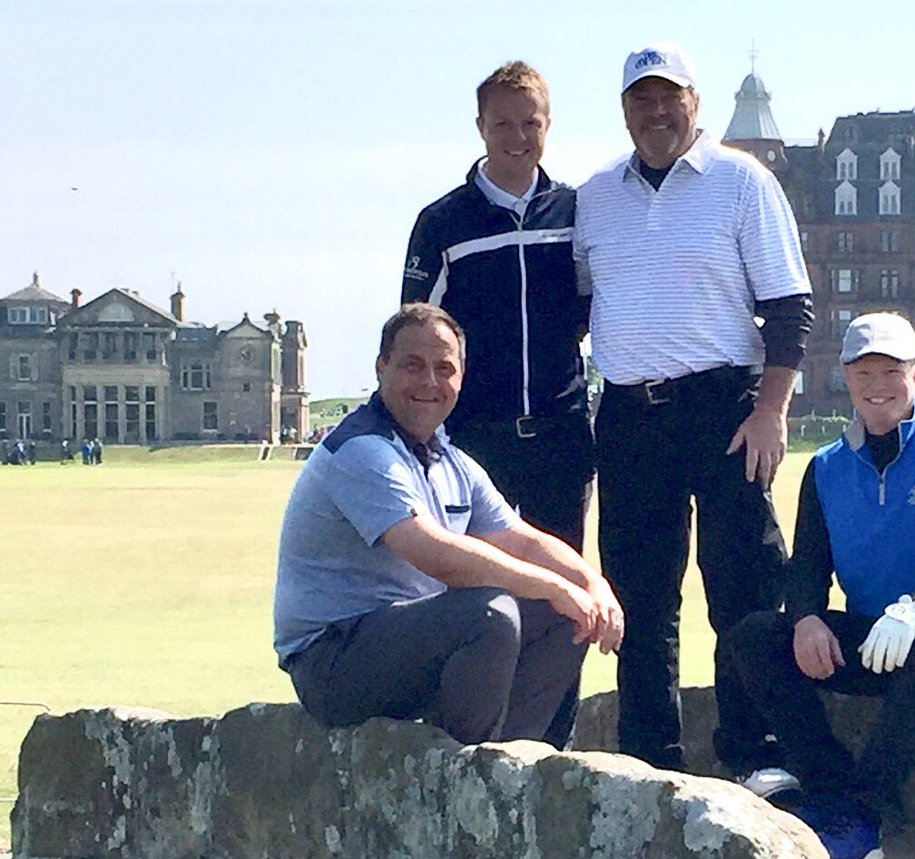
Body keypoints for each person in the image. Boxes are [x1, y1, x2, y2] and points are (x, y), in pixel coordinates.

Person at [573, 42, 814, 774]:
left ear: (694, 103)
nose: (655, 111)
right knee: (640, 602)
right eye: (641, 100)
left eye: (668, 96)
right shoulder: (595, 196)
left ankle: (752, 755)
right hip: (628, 416)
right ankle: (651, 763)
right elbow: (580, 306)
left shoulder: (742, 181)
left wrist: (771, 411)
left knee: (742, 589)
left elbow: (789, 307)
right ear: (624, 112)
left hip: (726, 409)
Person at [273, 304, 623, 748]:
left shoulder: (449, 459)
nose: (430, 383)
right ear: (382, 368)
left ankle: (505, 764)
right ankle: (459, 777)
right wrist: (553, 585)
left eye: (444, 368)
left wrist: (590, 584)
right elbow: (436, 556)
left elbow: (520, 538)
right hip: (332, 660)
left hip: (410, 643)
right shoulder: (361, 449)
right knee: (490, 615)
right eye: (413, 366)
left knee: (568, 615)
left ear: (461, 376)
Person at [730, 313, 915, 859]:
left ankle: (868, 810)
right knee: (756, 636)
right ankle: (828, 786)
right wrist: (807, 616)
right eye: (864, 373)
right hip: (875, 635)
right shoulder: (827, 467)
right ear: (845, 377)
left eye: (892, 371)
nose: (878, 386)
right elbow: (809, 563)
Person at [401, 61, 590, 552]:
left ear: (548, 125)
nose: (518, 136)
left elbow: (598, 308)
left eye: (531, 123)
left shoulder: (577, 211)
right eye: (502, 124)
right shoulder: (442, 221)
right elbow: (415, 330)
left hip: (560, 435)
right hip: (475, 439)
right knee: (479, 593)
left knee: (563, 596)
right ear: (481, 127)